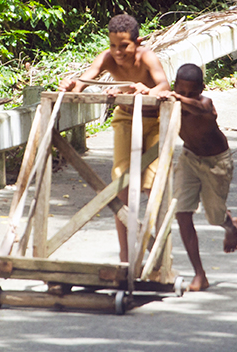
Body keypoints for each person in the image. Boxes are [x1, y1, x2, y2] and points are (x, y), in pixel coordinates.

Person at [61, 13, 170, 263]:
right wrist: (72, 87)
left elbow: (164, 85)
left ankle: (156, 253)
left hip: (155, 121)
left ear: (137, 42)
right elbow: (86, 79)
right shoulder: (108, 58)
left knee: (153, 184)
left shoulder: (147, 57)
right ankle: (125, 256)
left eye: (124, 46)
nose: (118, 52)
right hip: (127, 118)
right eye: (113, 45)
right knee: (122, 184)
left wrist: (147, 90)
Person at [159, 63, 237, 292]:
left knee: (214, 218)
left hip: (216, 162)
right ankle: (199, 274)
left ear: (202, 89)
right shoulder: (172, 102)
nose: (185, 96)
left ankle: (230, 224)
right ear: (175, 86)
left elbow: (198, 108)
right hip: (190, 158)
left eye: (191, 93)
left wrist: (177, 97)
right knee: (182, 213)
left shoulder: (205, 105)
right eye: (180, 91)